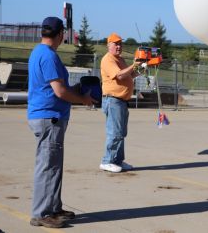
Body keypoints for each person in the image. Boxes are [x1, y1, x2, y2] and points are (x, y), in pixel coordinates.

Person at [27, 16, 95, 228]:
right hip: (49, 118)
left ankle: (53, 208)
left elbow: (55, 88)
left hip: (47, 116)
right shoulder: (48, 56)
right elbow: (59, 91)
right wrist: (82, 99)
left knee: (52, 166)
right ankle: (43, 213)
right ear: (60, 34)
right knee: (48, 167)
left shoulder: (39, 52)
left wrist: (76, 90)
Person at [99, 32, 141, 173]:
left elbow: (129, 74)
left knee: (121, 133)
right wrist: (134, 65)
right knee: (115, 132)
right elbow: (120, 74)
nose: (118, 46)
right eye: (115, 44)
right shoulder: (108, 59)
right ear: (108, 45)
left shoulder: (120, 59)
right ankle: (107, 161)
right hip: (113, 100)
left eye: (120, 44)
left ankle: (117, 160)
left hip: (122, 101)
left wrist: (141, 68)